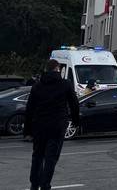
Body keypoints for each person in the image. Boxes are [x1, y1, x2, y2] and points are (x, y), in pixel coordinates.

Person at [24, 59, 80, 190]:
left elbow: (30, 108)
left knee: (37, 156)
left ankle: (34, 184)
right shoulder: (65, 84)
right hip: (57, 125)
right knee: (51, 158)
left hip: (39, 125)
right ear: (57, 69)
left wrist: (27, 130)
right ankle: (45, 185)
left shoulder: (37, 86)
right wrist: (76, 121)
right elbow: (74, 104)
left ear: (46, 69)